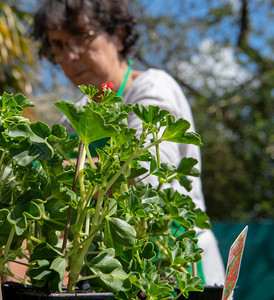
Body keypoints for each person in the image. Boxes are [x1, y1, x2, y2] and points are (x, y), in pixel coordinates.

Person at [32, 0, 226, 285]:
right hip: (110, 274)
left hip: (175, 262)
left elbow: (145, 176)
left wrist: (52, 171)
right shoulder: (73, 117)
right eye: (58, 45)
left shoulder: (151, 88)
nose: (69, 56)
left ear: (119, 35)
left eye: (81, 38)